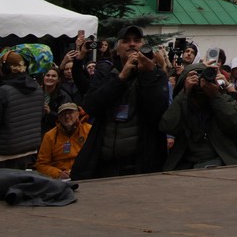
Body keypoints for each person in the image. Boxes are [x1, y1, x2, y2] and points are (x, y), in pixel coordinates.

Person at [70, 24, 170, 179]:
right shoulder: (106, 72)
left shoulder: (155, 74)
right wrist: (121, 77)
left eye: (137, 40)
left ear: (143, 46)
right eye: (126, 41)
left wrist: (147, 75)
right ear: (117, 49)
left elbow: (157, 112)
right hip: (104, 160)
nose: (132, 44)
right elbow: (90, 106)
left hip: (140, 163)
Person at [162, 64, 237, 170]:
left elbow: (236, 125)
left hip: (220, 160)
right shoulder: (181, 101)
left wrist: (215, 96)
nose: (199, 84)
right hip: (186, 163)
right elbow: (167, 126)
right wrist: (184, 93)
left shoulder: (222, 99)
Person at [0, 48, 44, 171]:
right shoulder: (38, 89)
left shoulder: (3, 91)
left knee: (0, 188)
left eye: (0, 68)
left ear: (7, 69)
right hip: (28, 151)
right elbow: (39, 116)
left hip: (4, 153)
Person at [34, 102, 89, 180]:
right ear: (59, 118)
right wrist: (58, 174)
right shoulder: (49, 136)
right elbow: (41, 164)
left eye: (70, 113)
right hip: (60, 178)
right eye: (63, 114)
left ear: (77, 114)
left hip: (84, 175)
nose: (67, 116)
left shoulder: (88, 130)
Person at [39, 66, 62, 134]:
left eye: (54, 76)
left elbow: (66, 117)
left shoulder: (62, 96)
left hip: (54, 133)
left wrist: (50, 113)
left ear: (58, 80)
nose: (50, 78)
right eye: (47, 75)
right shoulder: (37, 93)